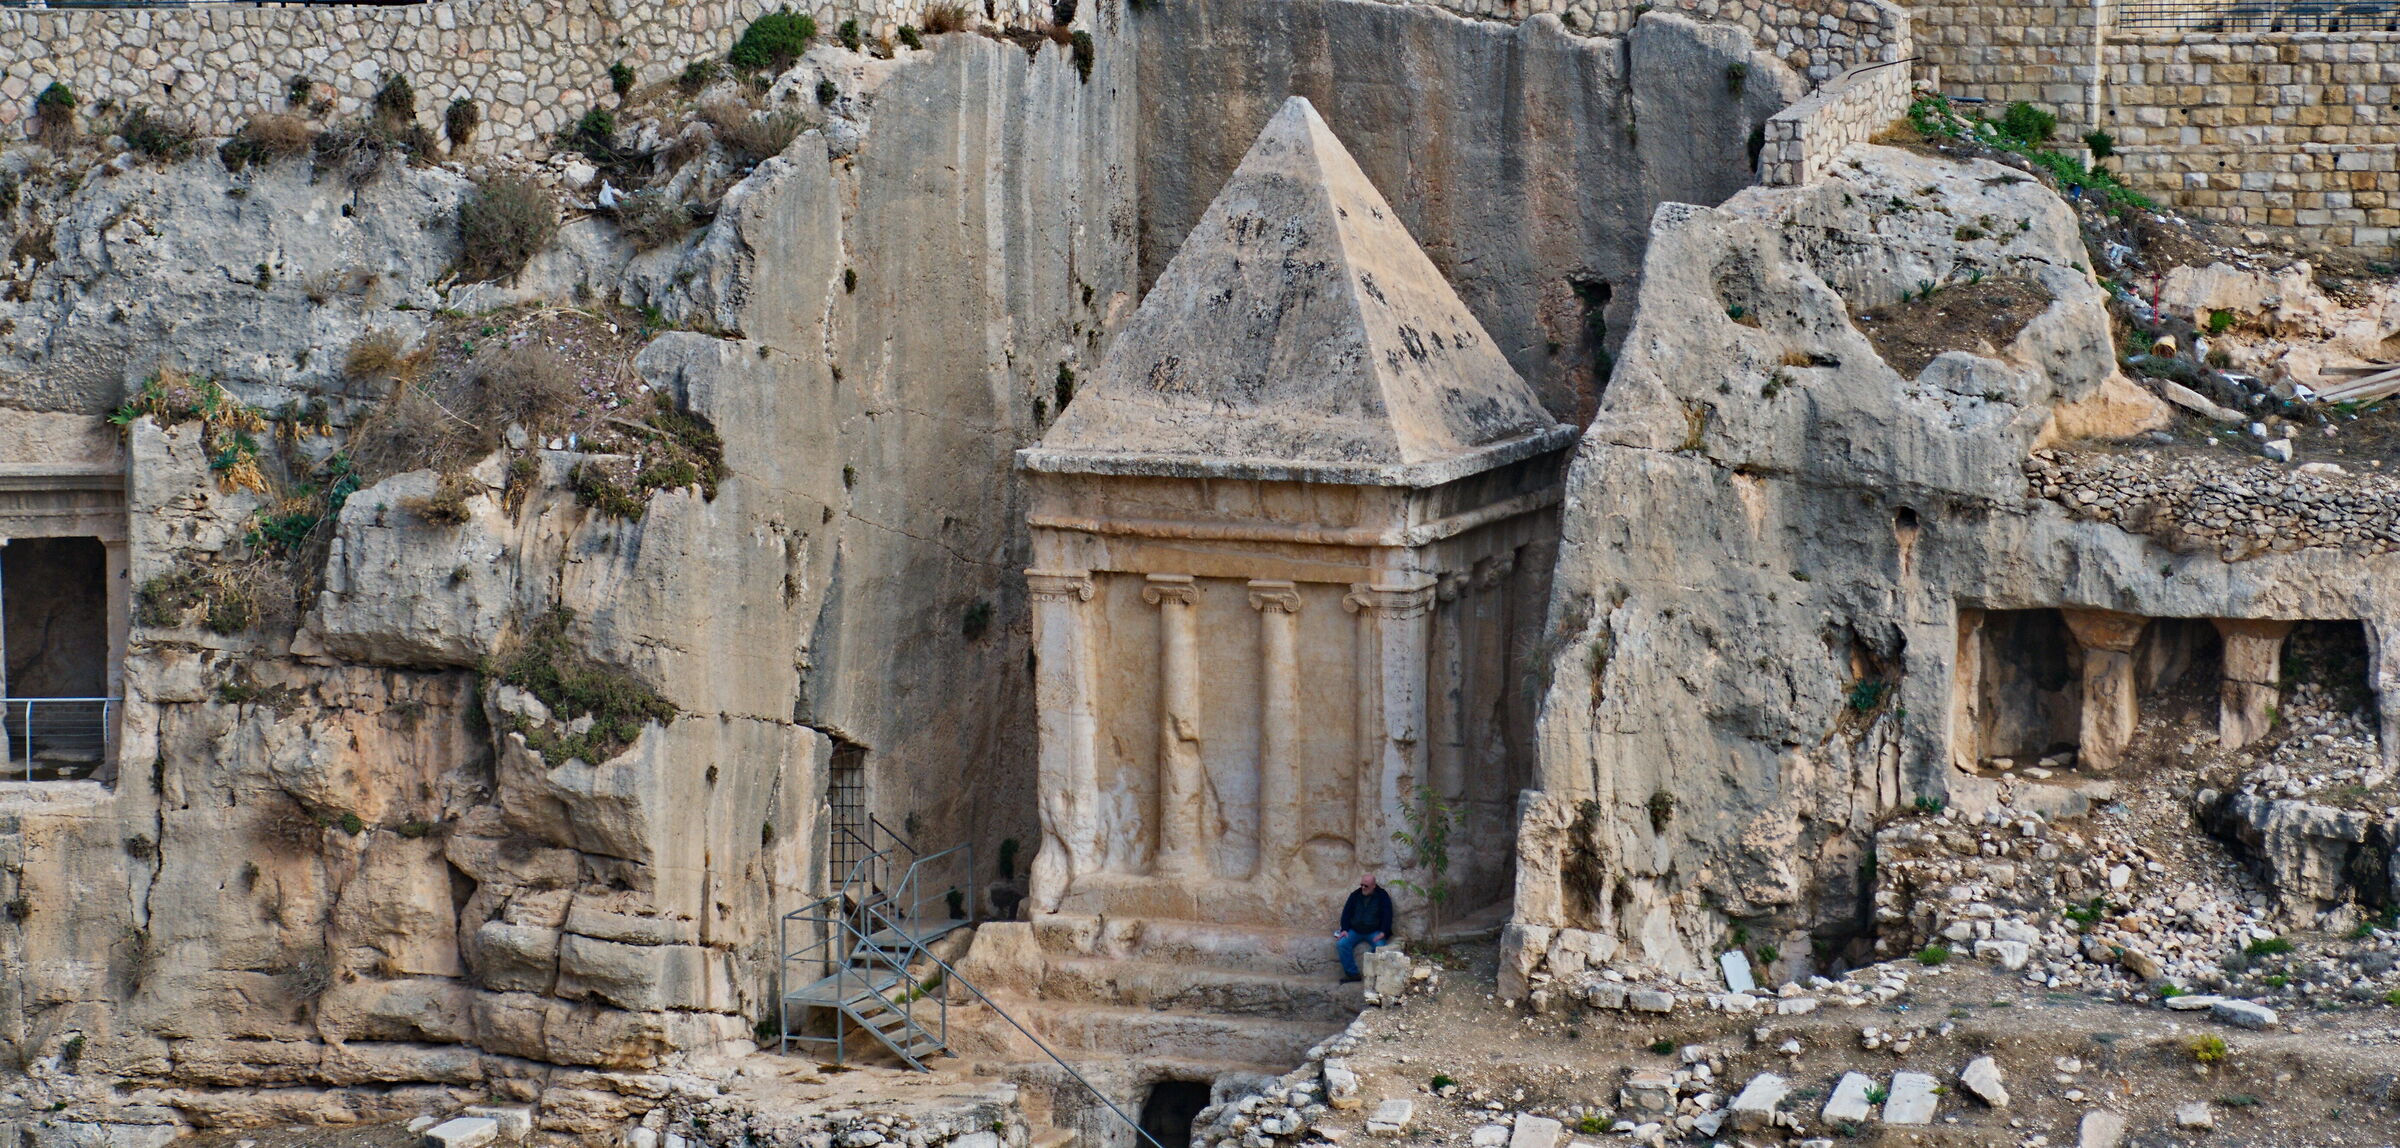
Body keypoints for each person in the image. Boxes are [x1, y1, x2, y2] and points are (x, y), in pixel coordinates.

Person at [1333, 873, 1393, 983]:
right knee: (1342, 944)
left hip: (1374, 931)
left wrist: (1384, 932)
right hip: (1355, 930)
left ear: (1374, 885)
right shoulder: (1355, 895)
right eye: (1362, 885)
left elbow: (1388, 914)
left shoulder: (1382, 896)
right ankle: (1352, 974)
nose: (1363, 888)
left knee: (1380, 947)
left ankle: (1375, 976)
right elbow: (1346, 912)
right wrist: (1345, 929)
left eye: (1366, 886)